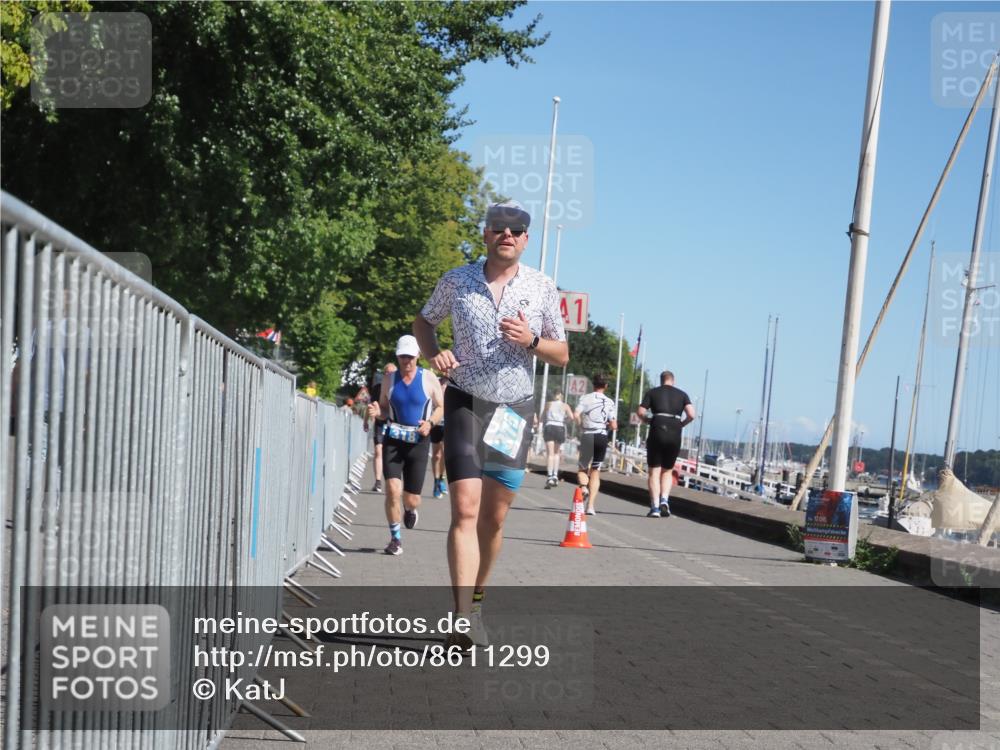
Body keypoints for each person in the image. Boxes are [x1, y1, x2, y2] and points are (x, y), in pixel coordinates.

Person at [413, 199, 568, 648]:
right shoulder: (457, 280)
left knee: (494, 519)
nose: (507, 235)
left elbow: (561, 353)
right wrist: (432, 351)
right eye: (498, 227)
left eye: (516, 230)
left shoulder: (541, 287)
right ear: (485, 233)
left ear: (525, 239)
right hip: (464, 401)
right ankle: (461, 619)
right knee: (464, 509)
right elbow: (424, 321)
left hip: (511, 410)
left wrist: (532, 339)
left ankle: (476, 601)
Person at [366, 336, 444, 555]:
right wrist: (376, 413)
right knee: (392, 490)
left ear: (418, 356)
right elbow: (383, 408)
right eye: (402, 356)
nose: (406, 361)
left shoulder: (428, 378)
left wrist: (430, 423)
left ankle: (410, 509)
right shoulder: (389, 379)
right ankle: (395, 539)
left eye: (410, 356)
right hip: (394, 439)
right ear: (397, 356)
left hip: (418, 442)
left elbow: (440, 407)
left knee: (411, 498)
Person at [637, 370, 696, 518]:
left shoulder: (652, 392)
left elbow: (640, 412)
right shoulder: (682, 394)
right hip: (675, 430)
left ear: (661, 380)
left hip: (658, 427)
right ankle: (665, 500)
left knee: (654, 471)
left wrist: (648, 421)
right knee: (668, 470)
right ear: (673, 381)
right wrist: (682, 424)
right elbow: (691, 414)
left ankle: (655, 507)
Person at [574, 375, 617, 515]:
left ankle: (584, 487)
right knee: (595, 471)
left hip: (587, 435)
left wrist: (581, 425)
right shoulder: (610, 402)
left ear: (593, 385)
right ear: (606, 386)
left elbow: (576, 414)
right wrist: (606, 427)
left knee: (582, 468)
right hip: (601, 436)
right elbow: (614, 425)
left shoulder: (585, 398)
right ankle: (590, 507)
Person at [363, 362, 397, 493]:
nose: (388, 375)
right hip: (379, 422)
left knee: (390, 452)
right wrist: (366, 421)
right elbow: (371, 406)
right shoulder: (377, 388)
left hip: (394, 422)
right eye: (386, 373)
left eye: (391, 373)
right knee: (378, 450)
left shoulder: (400, 386)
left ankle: (392, 480)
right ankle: (377, 481)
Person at [542, 392, 574, 488]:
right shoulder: (565, 405)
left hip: (550, 426)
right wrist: (565, 421)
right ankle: (555, 475)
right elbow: (571, 417)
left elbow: (542, 417)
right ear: (562, 397)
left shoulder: (548, 404)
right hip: (560, 427)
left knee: (550, 454)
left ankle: (549, 476)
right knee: (557, 454)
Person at [431, 376, 449, 498]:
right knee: (437, 454)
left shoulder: (454, 382)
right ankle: (436, 482)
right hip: (436, 422)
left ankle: (441, 478)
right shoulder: (435, 381)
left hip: (449, 422)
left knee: (444, 453)